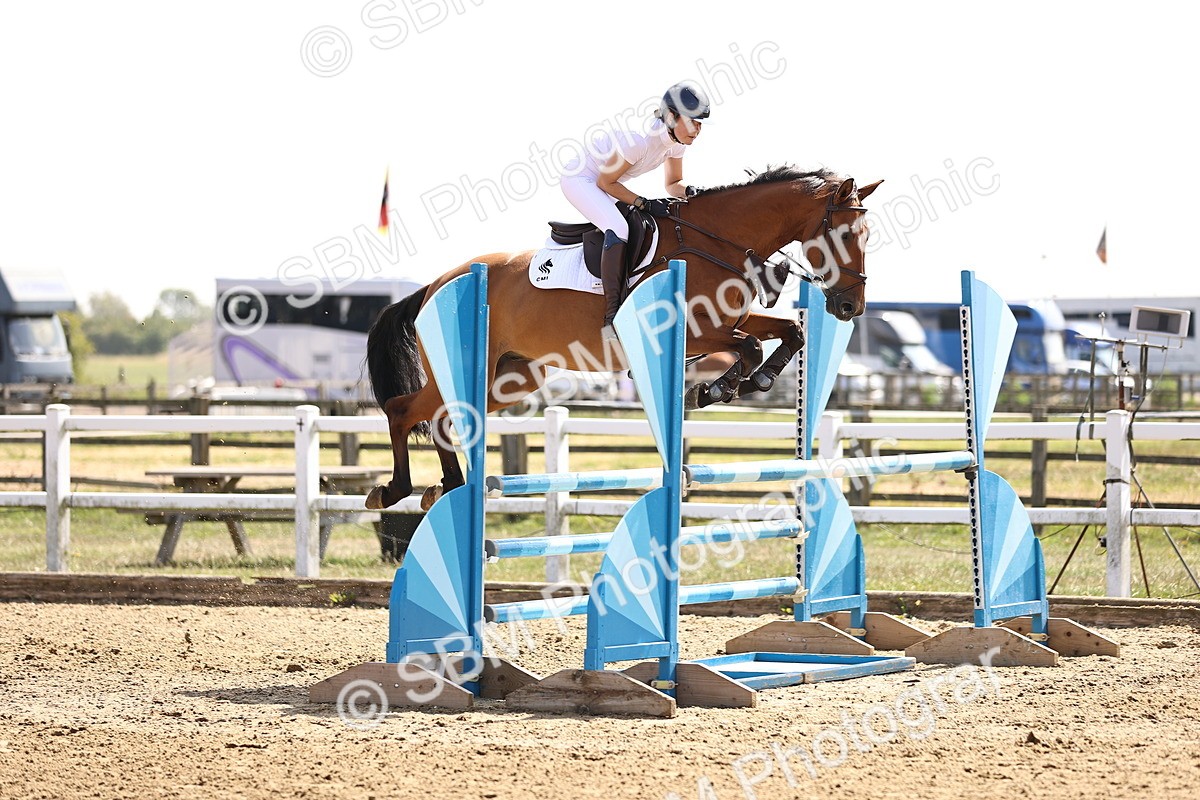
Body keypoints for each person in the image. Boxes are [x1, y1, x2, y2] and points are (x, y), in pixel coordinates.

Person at [560, 80, 710, 340]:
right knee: (618, 227)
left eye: (700, 123)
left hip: (608, 181)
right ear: (672, 117)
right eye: (693, 121)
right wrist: (643, 202)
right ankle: (612, 316)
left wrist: (692, 192)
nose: (698, 129)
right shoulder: (639, 141)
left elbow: (673, 184)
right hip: (580, 179)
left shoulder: (677, 144)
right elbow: (604, 182)